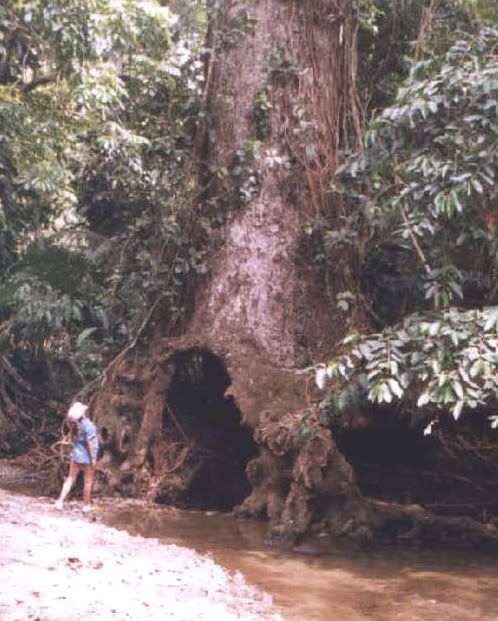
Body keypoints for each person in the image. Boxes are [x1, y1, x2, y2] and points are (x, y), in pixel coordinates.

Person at [55, 401, 99, 512]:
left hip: (76, 457)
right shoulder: (89, 426)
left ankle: (60, 501)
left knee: (70, 479)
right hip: (87, 459)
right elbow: (90, 444)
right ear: (83, 414)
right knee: (88, 482)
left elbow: (70, 440)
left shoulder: (73, 426)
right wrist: (93, 459)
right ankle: (86, 505)